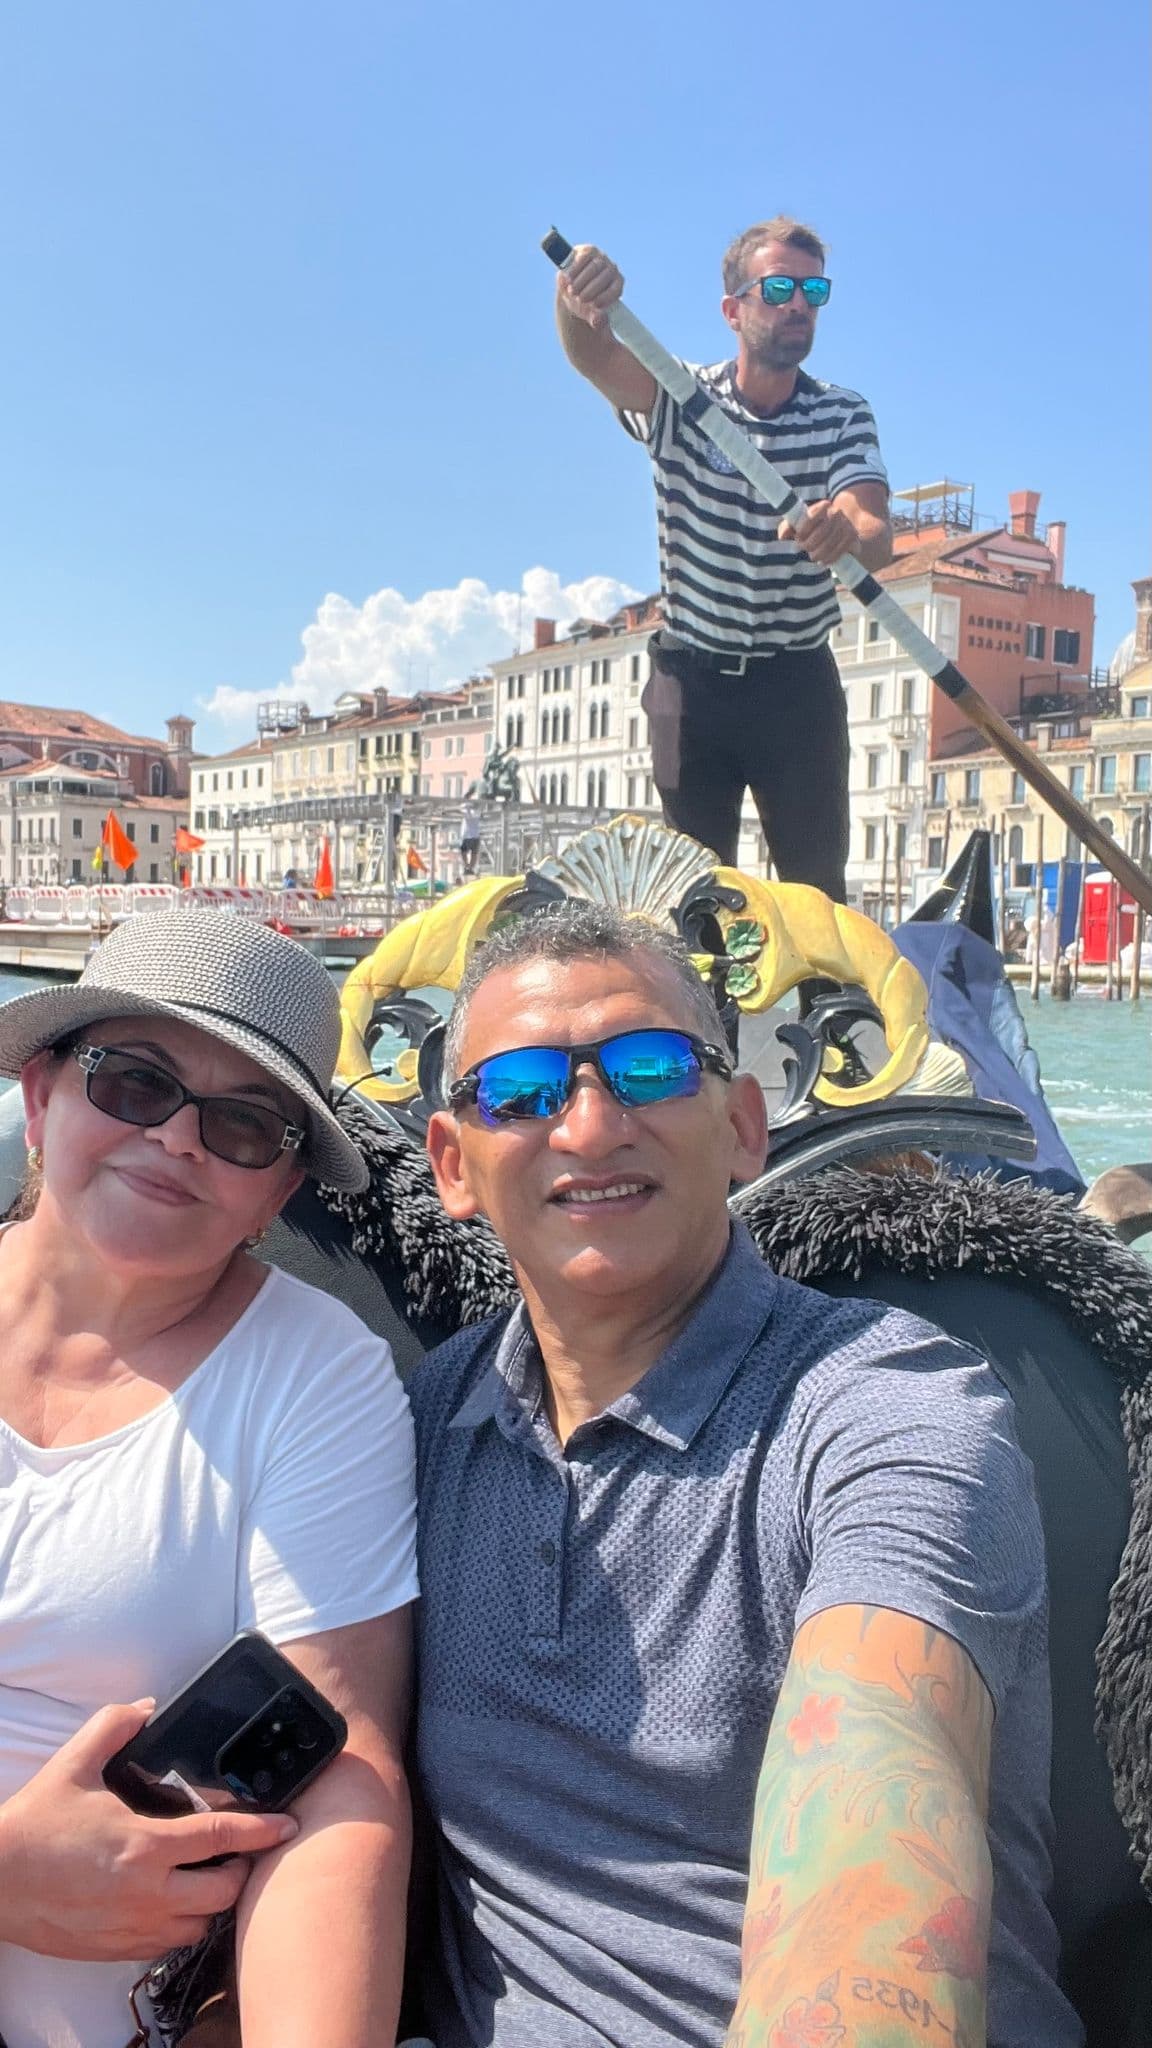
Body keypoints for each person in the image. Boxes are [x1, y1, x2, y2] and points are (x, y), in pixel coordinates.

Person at [413, 902, 1081, 2048]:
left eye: (650, 1068)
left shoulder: (889, 1408)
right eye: (521, 1090)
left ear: (741, 1125)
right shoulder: (427, 1419)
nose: (590, 1124)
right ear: (451, 1164)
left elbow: (874, 1811)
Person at [0, 910, 418, 2048]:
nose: (180, 1137)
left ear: (278, 1192)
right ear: (41, 1097)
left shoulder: (316, 1376)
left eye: (242, 1123)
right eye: (135, 1082)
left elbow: (342, 1777)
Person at [556, 219, 893, 890]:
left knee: (816, 892)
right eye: (780, 288)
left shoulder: (842, 413)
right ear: (733, 310)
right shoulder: (680, 394)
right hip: (690, 683)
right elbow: (594, 356)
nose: (799, 305)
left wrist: (847, 533)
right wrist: (574, 294)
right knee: (692, 894)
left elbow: (873, 525)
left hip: (796, 686)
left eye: (814, 291)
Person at [458, 801, 481, 878]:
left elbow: (459, 811)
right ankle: (470, 868)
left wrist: (445, 811)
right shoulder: (477, 812)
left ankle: (467, 866)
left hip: (467, 836)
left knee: (463, 852)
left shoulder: (466, 812)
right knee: (474, 853)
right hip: (476, 836)